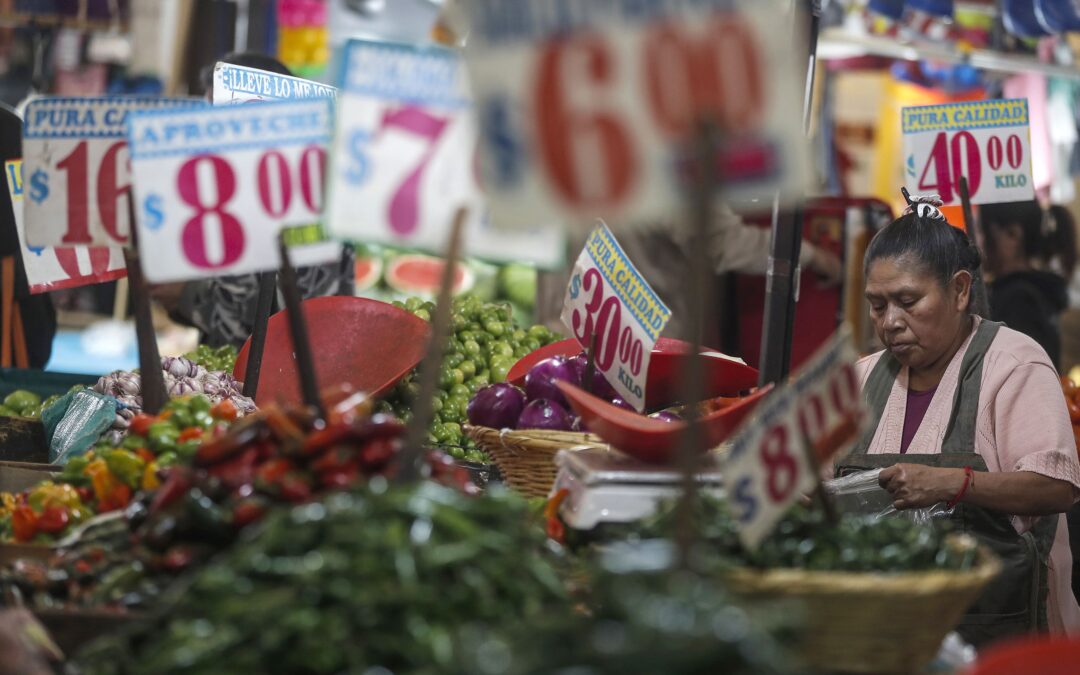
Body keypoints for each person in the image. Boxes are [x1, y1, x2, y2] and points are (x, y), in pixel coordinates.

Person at [834, 196, 1080, 646]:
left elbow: (1057, 487)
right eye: (876, 305)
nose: (890, 322)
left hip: (1001, 638)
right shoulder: (860, 379)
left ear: (960, 290)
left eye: (907, 300)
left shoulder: (1013, 364)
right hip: (886, 639)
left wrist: (951, 483)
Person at [153, 52, 354, 348]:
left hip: (283, 382)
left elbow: (256, 330)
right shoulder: (231, 196)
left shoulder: (302, 206)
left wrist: (185, 293)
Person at [535, 203, 844, 341]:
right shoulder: (663, 151)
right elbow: (723, 243)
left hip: (560, 329)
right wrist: (811, 254)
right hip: (636, 349)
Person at [980, 200, 1074, 370]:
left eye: (983, 230)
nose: (978, 240)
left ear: (1012, 234)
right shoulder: (1040, 287)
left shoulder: (1017, 299)